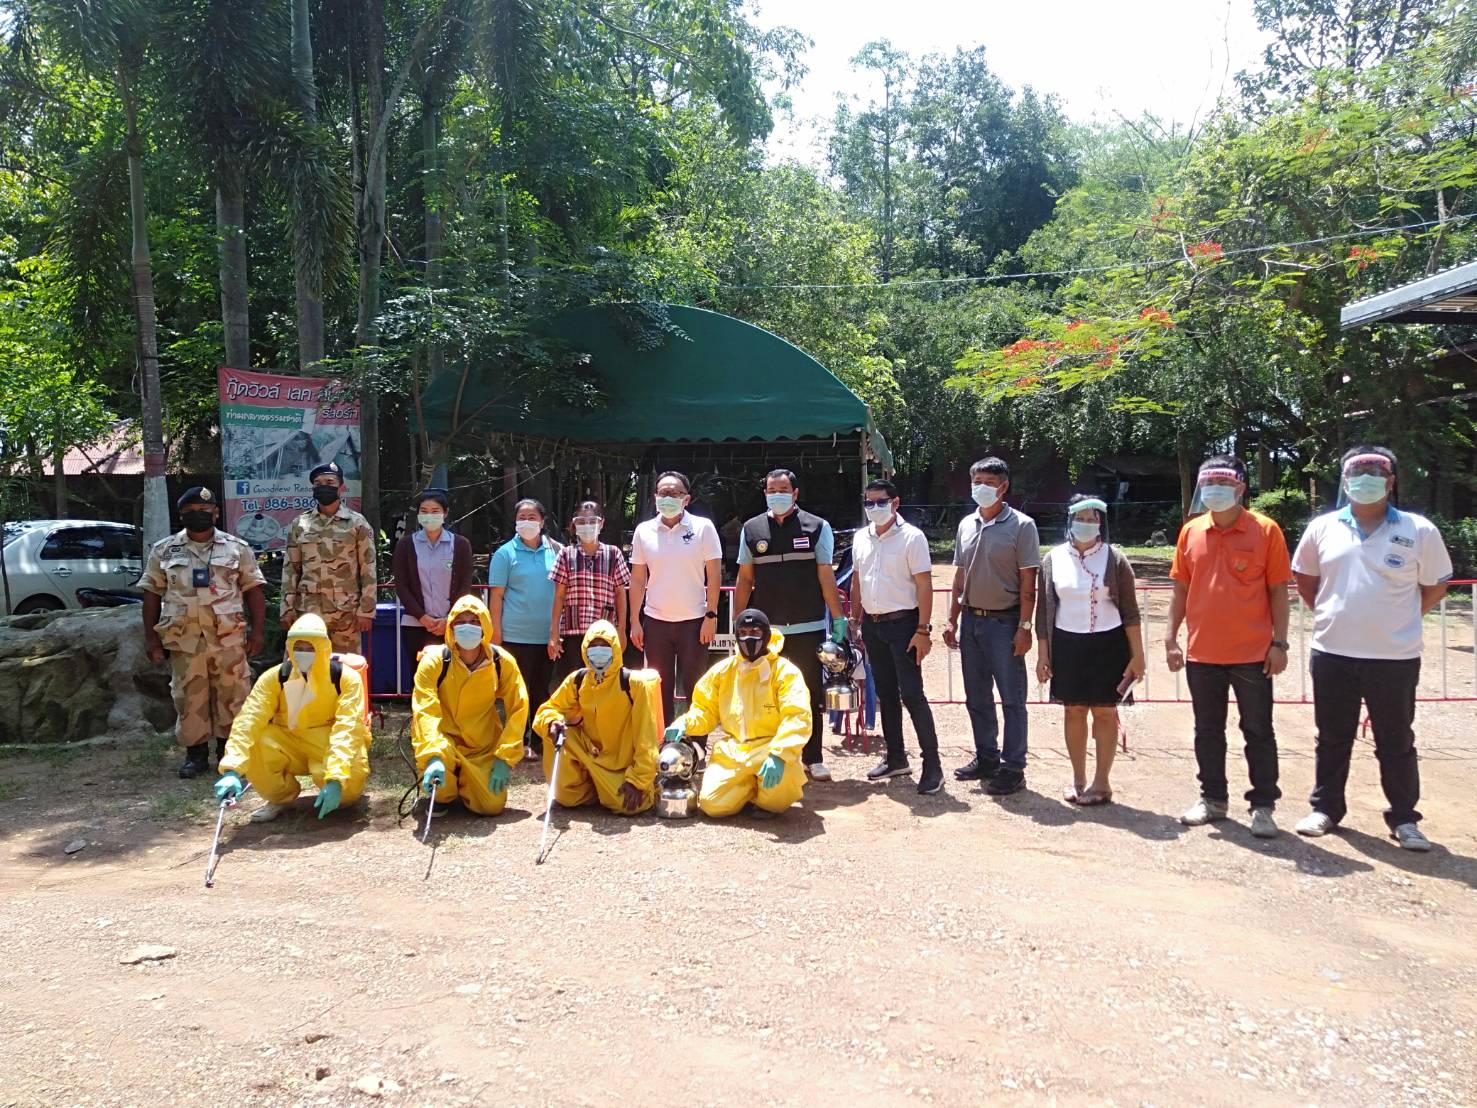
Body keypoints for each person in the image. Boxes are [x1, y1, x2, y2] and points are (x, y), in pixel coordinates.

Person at [1290, 446, 1452, 851]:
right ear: (1345, 482)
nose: (1364, 480)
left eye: (1374, 473)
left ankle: (1404, 819)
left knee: (1395, 739)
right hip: (1333, 651)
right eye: (1356, 473)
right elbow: (1307, 581)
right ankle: (1326, 808)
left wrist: (1401, 619)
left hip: (1394, 657)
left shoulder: (1420, 530)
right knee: (1331, 736)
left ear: (1391, 482)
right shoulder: (1323, 528)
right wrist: (1335, 613)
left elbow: (1435, 585)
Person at [1165, 455, 1292, 838]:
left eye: (1222, 483)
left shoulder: (1266, 531)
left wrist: (1280, 643)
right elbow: (1180, 588)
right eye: (1208, 483)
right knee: (1207, 730)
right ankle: (1213, 800)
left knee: (1258, 730)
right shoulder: (1191, 532)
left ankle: (1263, 805)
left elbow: (1277, 591)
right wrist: (1171, 637)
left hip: (1253, 655)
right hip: (1203, 653)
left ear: (1240, 488)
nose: (1213, 491)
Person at [140, 486, 267, 778]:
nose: (198, 515)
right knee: (189, 697)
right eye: (191, 512)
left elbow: (254, 592)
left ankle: (230, 754)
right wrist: (151, 637)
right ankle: (195, 756)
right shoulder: (164, 550)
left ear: (216, 513)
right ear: (181, 515)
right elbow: (151, 595)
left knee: (233, 696)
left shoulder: (237, 548)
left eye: (204, 511)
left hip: (228, 637)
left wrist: (257, 633)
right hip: (184, 640)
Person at [733, 469, 847, 782]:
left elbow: (826, 575)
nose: (777, 494)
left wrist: (838, 618)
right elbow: (745, 579)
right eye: (772, 489)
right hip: (767, 634)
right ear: (765, 493)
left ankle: (813, 757)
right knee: (766, 696)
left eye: (784, 489)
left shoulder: (817, 527)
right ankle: (770, 755)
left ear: (795, 493)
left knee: (808, 694)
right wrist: (737, 624)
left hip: (808, 626)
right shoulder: (751, 529)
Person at [1034, 495, 1146, 805]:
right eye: (1080, 517)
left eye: (1093, 518)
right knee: (1073, 711)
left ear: (1101, 522)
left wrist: (1138, 655)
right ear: (1069, 519)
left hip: (1108, 645)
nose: (1086, 523)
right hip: (1068, 644)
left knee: (1105, 712)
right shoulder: (1053, 559)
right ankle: (1078, 778)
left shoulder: (1115, 558)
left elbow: (1131, 611)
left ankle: (1102, 782)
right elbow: (1043, 613)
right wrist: (1043, 655)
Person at [212, 612, 371, 823]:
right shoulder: (274, 677)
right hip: (288, 740)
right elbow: (249, 720)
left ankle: (338, 792)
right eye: (298, 648)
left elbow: (347, 728)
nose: (303, 654)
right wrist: (232, 769)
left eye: (309, 648)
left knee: (347, 790)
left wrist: (336, 778)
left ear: (323, 648)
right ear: (289, 648)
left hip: (328, 741)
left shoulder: (345, 678)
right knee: (258, 741)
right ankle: (280, 797)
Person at [943, 457, 1040, 795]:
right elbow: (959, 575)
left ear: (1003, 486)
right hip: (971, 621)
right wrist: (951, 619)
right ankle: (987, 757)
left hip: (1005, 621)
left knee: (1013, 699)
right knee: (977, 696)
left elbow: (1029, 582)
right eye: (976, 480)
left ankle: (1014, 767)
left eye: (988, 481)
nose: (980, 487)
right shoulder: (966, 524)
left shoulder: (1023, 526)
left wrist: (1025, 627)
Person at [665, 609, 810, 818]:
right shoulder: (723, 671)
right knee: (711, 804)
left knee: (777, 799)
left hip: (769, 749)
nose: (748, 638)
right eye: (742, 632)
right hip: (733, 752)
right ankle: (749, 789)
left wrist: (780, 754)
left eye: (755, 632)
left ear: (767, 635)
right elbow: (704, 710)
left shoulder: (785, 672)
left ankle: (764, 796)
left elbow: (797, 716)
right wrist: (685, 723)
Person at [848, 480, 943, 794]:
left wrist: (923, 630)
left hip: (904, 625)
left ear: (895, 502)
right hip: (874, 626)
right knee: (886, 694)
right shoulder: (861, 538)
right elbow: (858, 581)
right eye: (869, 502)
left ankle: (933, 766)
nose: (874, 507)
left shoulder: (912, 537)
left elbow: (924, 585)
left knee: (912, 694)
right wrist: (854, 617)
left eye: (880, 501)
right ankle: (896, 757)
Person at [410, 595, 529, 816]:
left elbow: (519, 708)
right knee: (441, 790)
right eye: (460, 621)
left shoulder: (502, 662)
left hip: (482, 746)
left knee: (490, 805)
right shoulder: (435, 661)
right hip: (444, 741)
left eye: (474, 622)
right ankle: (445, 784)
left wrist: (505, 757)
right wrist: (433, 755)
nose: (468, 627)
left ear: (485, 625)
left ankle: (466, 779)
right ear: (451, 627)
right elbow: (425, 710)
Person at [532, 621, 662, 815]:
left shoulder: (634, 684)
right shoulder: (577, 680)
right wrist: (552, 722)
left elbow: (647, 737)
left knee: (626, 804)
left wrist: (638, 781)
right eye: (593, 646)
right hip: (589, 755)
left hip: (620, 764)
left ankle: (610, 788)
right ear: (585, 649)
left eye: (604, 646)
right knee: (563, 790)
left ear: (615, 649)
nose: (598, 651)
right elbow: (547, 710)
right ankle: (592, 788)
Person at [628, 471, 722, 724]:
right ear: (655, 497)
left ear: (687, 499)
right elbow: (637, 579)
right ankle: (662, 741)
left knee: (697, 687)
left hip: (694, 622)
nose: (668, 497)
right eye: (663, 493)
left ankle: (695, 742)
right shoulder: (643, 531)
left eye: (674, 493)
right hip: (655, 622)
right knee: (658, 686)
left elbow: (714, 575)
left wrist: (711, 615)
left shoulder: (704, 527)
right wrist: (634, 621)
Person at [488, 498, 560, 756]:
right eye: (522, 517)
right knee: (518, 692)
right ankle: (519, 740)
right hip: (515, 634)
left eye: (532, 517)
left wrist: (556, 632)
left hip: (547, 636)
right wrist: (496, 632)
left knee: (542, 689)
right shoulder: (504, 553)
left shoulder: (557, 550)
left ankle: (540, 741)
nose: (527, 522)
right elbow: (496, 596)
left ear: (542, 521)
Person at [282, 461, 377, 655]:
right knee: (303, 668)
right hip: (307, 612)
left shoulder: (357, 523)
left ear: (341, 487)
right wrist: (286, 607)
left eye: (329, 481)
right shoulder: (300, 524)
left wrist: (366, 610)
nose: (323, 486)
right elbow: (291, 568)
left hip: (346, 614)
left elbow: (368, 567)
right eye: (318, 483)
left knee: (345, 671)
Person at [548, 499, 631, 680]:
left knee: (603, 682)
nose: (587, 525)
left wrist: (621, 629)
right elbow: (559, 596)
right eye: (582, 521)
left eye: (592, 521)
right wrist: (554, 634)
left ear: (601, 523)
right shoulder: (566, 554)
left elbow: (620, 594)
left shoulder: (613, 554)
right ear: (574, 524)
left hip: (604, 634)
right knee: (574, 683)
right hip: (573, 633)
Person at [391, 487, 474, 661]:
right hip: (415, 624)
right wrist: (423, 618)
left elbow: (464, 585)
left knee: (452, 676)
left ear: (445, 513)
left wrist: (449, 618)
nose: (429, 515)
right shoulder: (405, 545)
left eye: (435, 511)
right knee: (420, 677)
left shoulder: (461, 545)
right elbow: (402, 586)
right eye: (424, 511)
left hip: (452, 625)